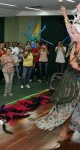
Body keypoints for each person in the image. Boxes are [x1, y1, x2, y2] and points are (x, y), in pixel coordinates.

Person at [35, 4, 80, 141]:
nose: (73, 34)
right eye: (73, 32)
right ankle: (66, 128)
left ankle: (76, 127)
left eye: (75, 32)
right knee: (66, 102)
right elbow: (69, 27)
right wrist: (65, 14)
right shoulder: (74, 41)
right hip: (70, 75)